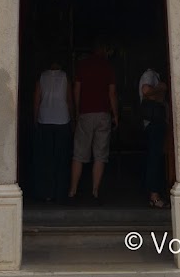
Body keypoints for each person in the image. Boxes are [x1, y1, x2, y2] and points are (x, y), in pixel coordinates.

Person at [68, 38, 118, 201]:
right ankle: (95, 191)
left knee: (79, 154)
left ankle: (73, 191)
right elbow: (112, 93)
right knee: (100, 155)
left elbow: (77, 90)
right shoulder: (107, 67)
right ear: (104, 50)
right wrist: (115, 115)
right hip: (103, 114)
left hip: (85, 113)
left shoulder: (82, 66)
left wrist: (76, 111)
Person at [33, 56, 73, 202]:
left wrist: (35, 119)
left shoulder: (42, 77)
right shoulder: (65, 77)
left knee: (46, 158)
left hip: (45, 120)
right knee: (61, 159)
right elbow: (69, 100)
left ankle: (47, 192)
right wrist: (73, 120)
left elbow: (36, 102)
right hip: (62, 120)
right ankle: (60, 192)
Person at [139, 66, 167, 208]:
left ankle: (156, 193)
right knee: (154, 159)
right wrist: (161, 88)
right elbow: (146, 90)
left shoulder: (154, 75)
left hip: (156, 123)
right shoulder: (149, 74)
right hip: (153, 123)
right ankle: (154, 195)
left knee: (156, 158)